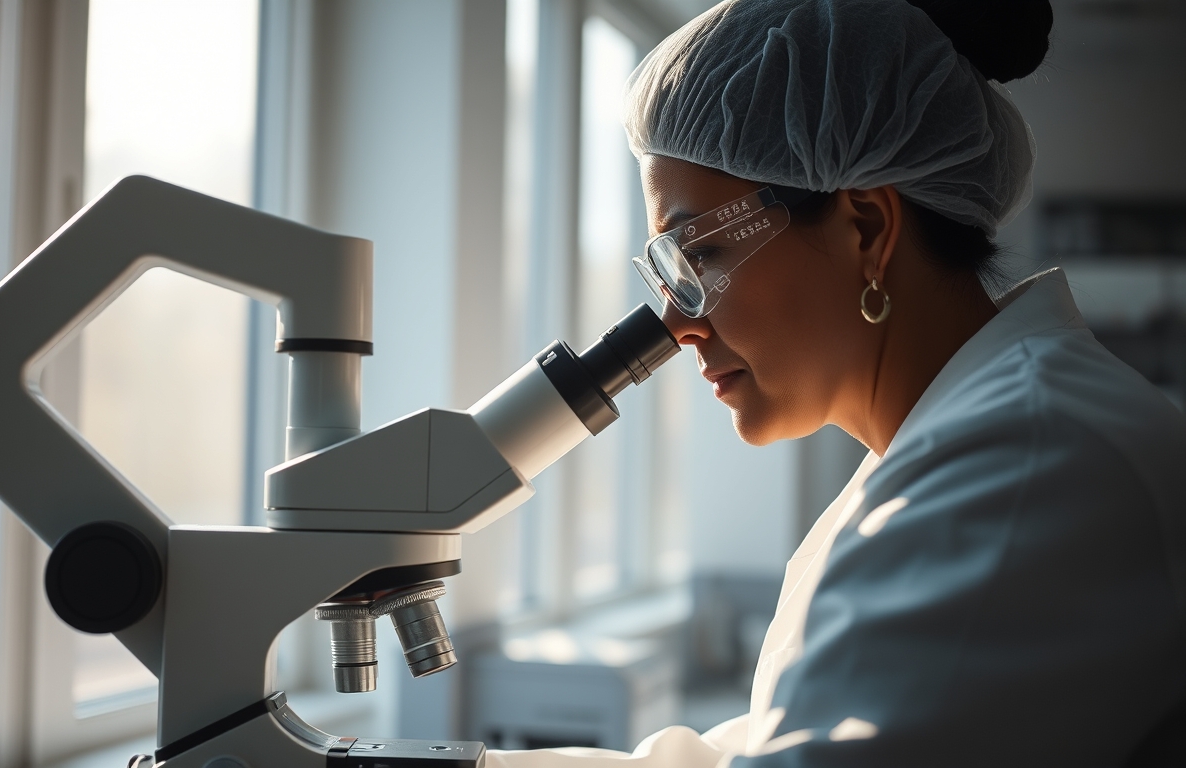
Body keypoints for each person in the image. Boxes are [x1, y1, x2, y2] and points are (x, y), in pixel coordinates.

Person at [488, 0, 1186, 765]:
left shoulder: (1028, 465)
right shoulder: (944, 455)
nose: (678, 323)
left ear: (868, 229)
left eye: (703, 257)